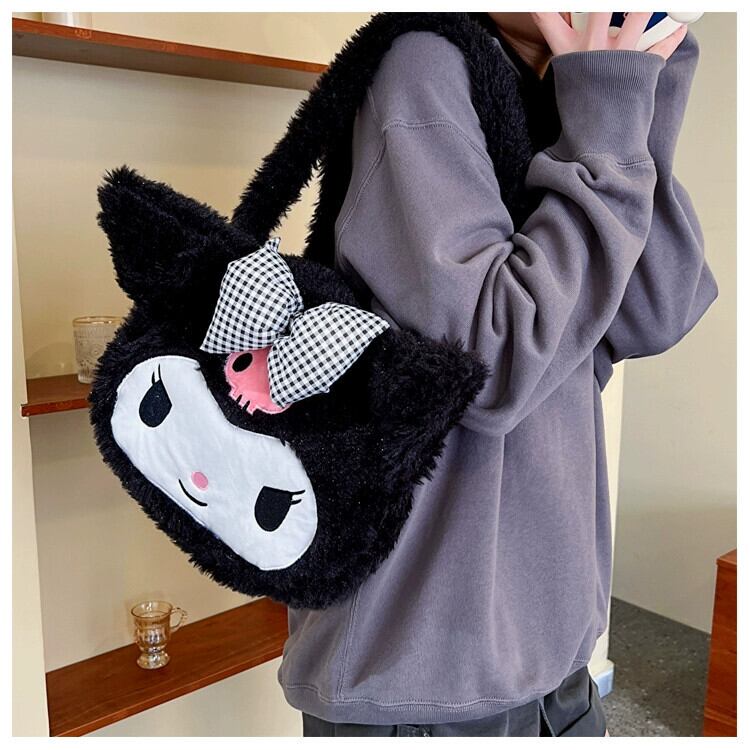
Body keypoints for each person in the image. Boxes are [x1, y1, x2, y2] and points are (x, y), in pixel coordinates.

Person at [278, 11, 719, 737]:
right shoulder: (423, 63)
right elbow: (492, 361)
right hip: (425, 681)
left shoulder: (562, 93)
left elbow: (656, 309)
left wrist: (642, 88)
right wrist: (609, 110)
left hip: (552, 662)